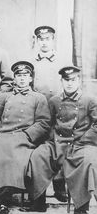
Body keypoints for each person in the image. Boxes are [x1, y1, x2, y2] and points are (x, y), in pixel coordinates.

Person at [0, 61, 50, 214]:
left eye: (25, 75)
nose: (22, 79)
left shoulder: (39, 98)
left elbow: (43, 123)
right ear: (14, 78)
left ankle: (3, 198)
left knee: (17, 155)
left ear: (30, 78)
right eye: (19, 76)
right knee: (0, 152)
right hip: (4, 136)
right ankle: (2, 198)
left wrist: (28, 135)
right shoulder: (4, 96)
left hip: (25, 137)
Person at [48, 66, 97, 214]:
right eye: (66, 80)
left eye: (73, 80)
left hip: (83, 142)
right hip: (60, 142)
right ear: (61, 81)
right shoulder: (54, 101)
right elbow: (49, 123)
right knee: (45, 155)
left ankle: (81, 206)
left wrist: (85, 138)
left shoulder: (89, 100)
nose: (69, 83)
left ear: (79, 81)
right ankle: (55, 190)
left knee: (90, 160)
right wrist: (54, 139)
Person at [32, 25, 68, 202]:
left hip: (57, 108)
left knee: (58, 145)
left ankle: (59, 185)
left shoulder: (61, 60)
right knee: (40, 146)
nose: (44, 42)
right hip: (38, 110)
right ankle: (39, 189)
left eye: (47, 39)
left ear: (53, 40)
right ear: (37, 41)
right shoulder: (32, 60)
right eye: (41, 39)